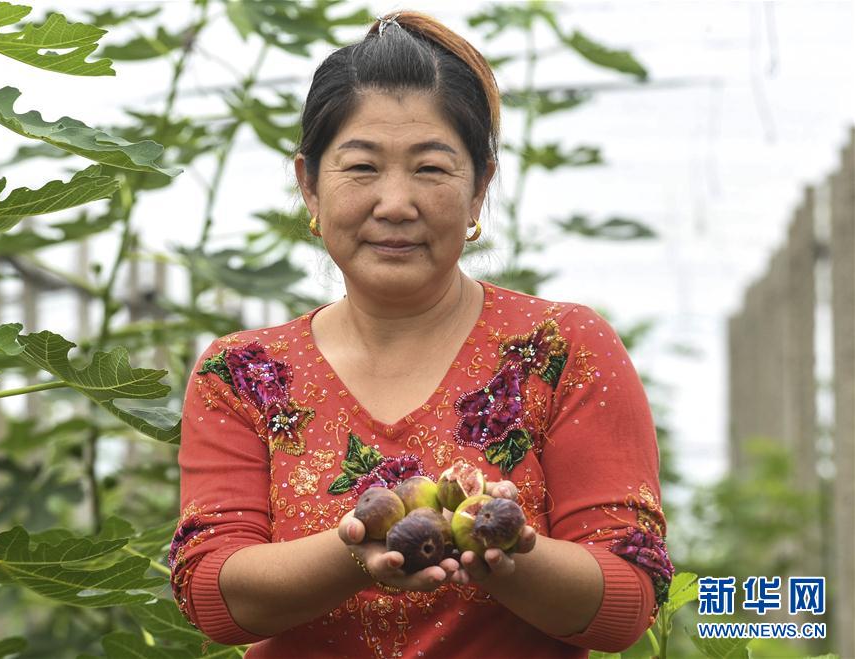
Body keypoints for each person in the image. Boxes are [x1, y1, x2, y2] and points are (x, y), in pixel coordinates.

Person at [168, 11, 673, 659]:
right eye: (361, 167)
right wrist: (356, 549)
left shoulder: (562, 348)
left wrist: (509, 550)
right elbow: (213, 592)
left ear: (479, 191)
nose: (396, 202)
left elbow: (628, 597)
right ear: (309, 187)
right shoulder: (242, 372)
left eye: (431, 169)